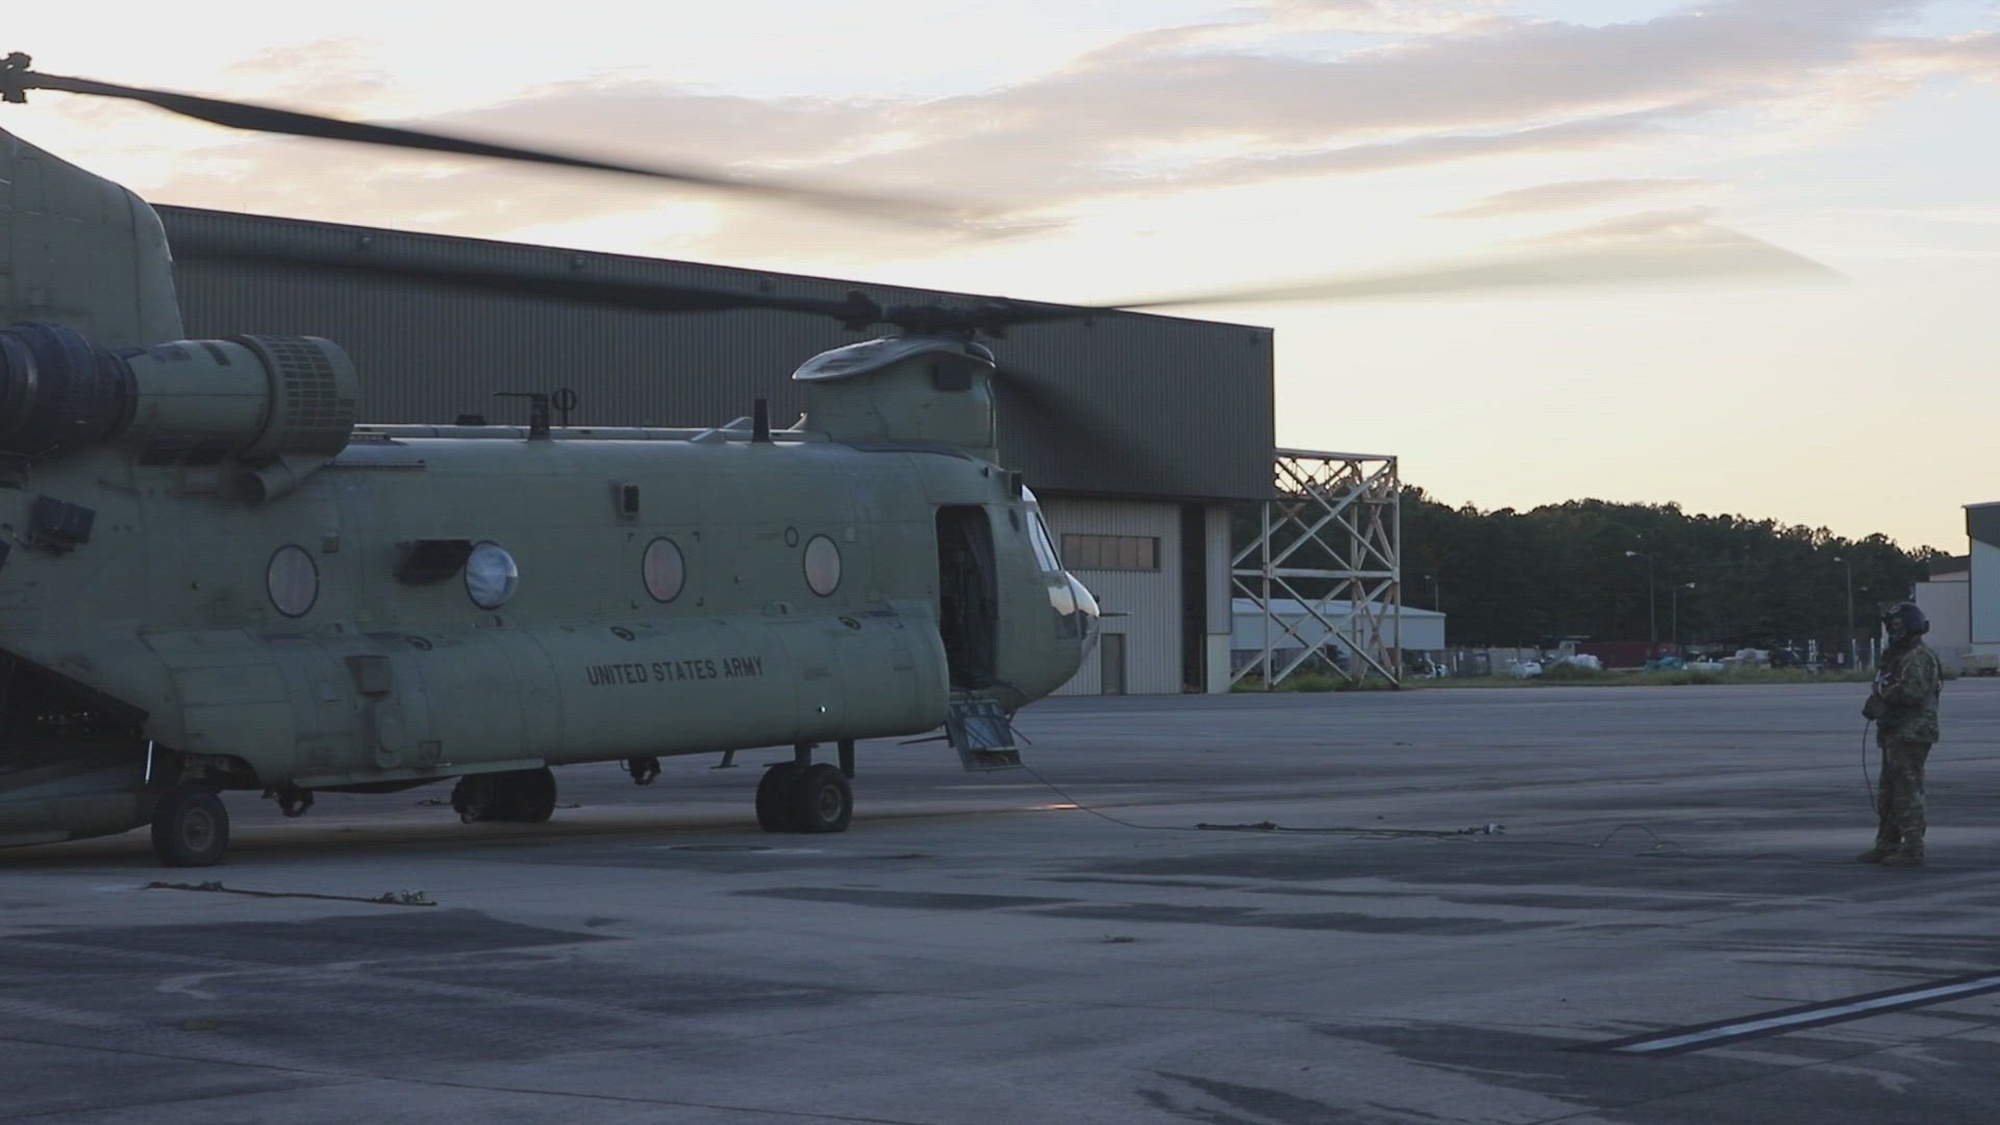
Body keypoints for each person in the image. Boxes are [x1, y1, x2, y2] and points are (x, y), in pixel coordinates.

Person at [1858, 602, 1943, 866]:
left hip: (1912, 732)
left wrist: (1882, 699)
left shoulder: (1918, 656)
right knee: (1889, 790)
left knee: (1907, 790)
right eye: (1890, 626)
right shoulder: (1896, 655)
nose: (1892, 631)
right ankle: (1887, 843)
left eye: (1896, 626)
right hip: (1895, 731)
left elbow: (1911, 692)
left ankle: (1913, 847)